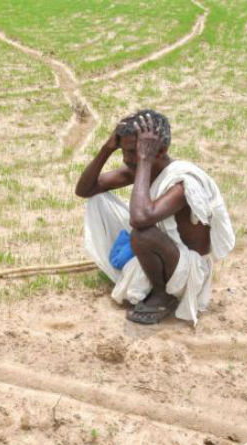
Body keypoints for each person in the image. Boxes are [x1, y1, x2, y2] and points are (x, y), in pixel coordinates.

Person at [75, 109, 235, 325]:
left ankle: (163, 295)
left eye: (134, 152)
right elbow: (85, 189)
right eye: (124, 151)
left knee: (142, 234)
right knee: (98, 198)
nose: (126, 158)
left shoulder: (182, 182)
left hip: (188, 271)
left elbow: (140, 219)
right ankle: (154, 279)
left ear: (160, 151)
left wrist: (144, 161)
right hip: (168, 255)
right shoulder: (141, 167)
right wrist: (108, 148)